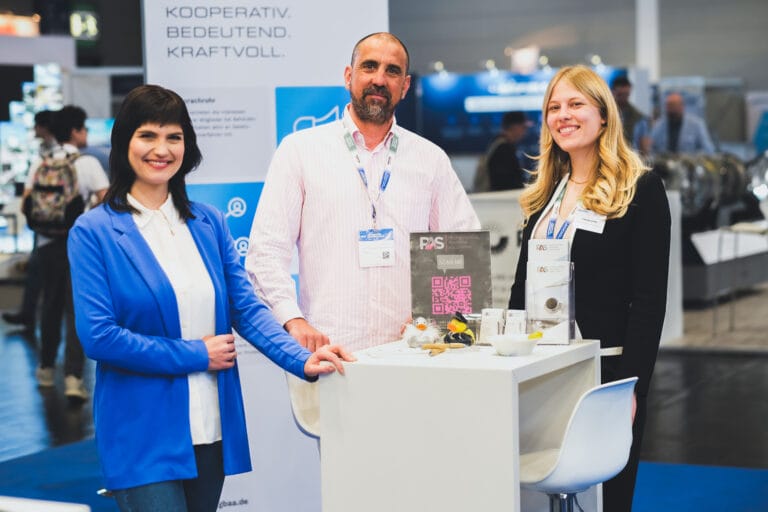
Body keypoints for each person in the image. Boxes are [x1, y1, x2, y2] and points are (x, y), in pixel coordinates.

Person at [67, 84, 354, 512]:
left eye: (174, 137)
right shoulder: (93, 232)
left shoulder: (208, 223)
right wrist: (196, 355)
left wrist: (301, 359)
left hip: (210, 427)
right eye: (147, 135)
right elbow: (99, 337)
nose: (161, 149)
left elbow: (245, 308)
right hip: (141, 431)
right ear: (124, 141)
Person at [247, 32, 480, 353]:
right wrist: (293, 319)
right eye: (369, 66)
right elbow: (266, 252)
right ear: (348, 76)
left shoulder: (430, 159)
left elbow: (463, 248)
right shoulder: (300, 151)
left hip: (412, 352)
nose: (379, 79)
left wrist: (436, 315)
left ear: (405, 86)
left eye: (392, 71)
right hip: (327, 352)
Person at [508, 65, 670, 511]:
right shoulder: (544, 196)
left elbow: (649, 302)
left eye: (576, 104)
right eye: (554, 107)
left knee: (605, 500)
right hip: (541, 372)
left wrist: (633, 389)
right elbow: (521, 287)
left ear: (603, 114)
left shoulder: (640, 189)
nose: (563, 115)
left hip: (605, 376)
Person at [25, 105, 110, 401]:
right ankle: (74, 377)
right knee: (76, 310)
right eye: (84, 128)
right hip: (78, 244)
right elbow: (105, 199)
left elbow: (26, 201)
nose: (86, 133)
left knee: (50, 305)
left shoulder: (41, 162)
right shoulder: (87, 163)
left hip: (46, 244)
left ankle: (46, 369)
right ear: (75, 131)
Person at [2, 110, 57, 332]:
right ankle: (29, 315)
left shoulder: (48, 155)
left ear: (43, 126)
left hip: (48, 225)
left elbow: (29, 195)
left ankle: (35, 319)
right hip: (50, 224)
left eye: (36, 125)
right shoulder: (49, 150)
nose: (34, 130)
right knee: (38, 271)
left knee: (47, 276)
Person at [474, 111, 530, 191]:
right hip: (502, 197)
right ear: (515, 127)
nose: (525, 132)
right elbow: (505, 183)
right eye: (523, 127)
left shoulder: (499, 143)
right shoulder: (504, 148)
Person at [650, 92, 716, 155]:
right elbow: (651, 148)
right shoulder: (659, 125)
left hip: (690, 161)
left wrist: (693, 157)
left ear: (682, 107)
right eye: (669, 107)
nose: (671, 110)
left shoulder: (697, 124)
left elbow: (708, 149)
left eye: (673, 106)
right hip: (664, 161)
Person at [610, 75, 651, 155]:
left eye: (626, 94)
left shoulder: (639, 117)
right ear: (613, 92)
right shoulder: (604, 114)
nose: (624, 98)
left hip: (631, 158)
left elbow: (644, 147)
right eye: (620, 94)